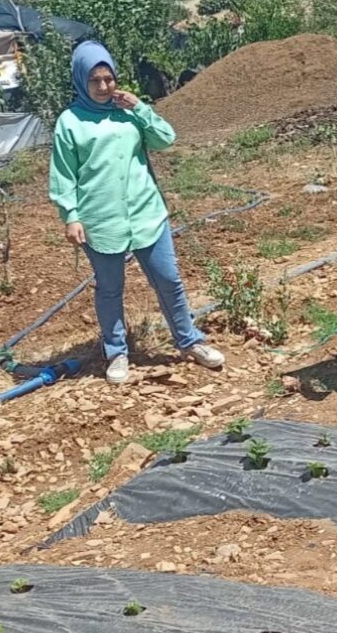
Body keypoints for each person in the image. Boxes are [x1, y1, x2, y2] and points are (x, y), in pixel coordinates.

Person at [49, 42, 224, 385]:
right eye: (95, 80)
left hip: (147, 213)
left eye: (108, 79)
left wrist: (140, 107)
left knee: (169, 280)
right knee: (110, 289)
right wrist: (71, 215)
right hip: (101, 220)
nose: (103, 87)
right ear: (81, 81)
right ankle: (116, 352)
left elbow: (165, 139)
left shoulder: (127, 111)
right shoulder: (69, 122)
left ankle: (189, 341)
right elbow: (63, 174)